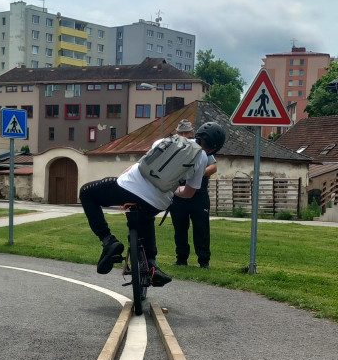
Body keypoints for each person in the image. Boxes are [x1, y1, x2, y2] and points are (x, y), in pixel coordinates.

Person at [79, 121, 227, 285]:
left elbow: (141, 165)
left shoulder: (166, 140)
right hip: (156, 202)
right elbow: (188, 193)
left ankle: (108, 241)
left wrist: (122, 178)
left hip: (128, 187)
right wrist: (173, 190)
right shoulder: (202, 159)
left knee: (87, 193)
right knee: (146, 216)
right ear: (214, 149)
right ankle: (151, 264)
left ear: (196, 134)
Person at [169, 120, 218, 268]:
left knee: (201, 229)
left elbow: (214, 167)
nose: (184, 135)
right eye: (180, 133)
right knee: (179, 229)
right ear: (176, 133)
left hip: (199, 194)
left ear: (193, 133)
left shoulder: (200, 148)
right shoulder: (172, 147)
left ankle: (204, 261)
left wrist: (197, 173)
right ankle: (181, 259)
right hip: (178, 195)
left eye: (186, 133)